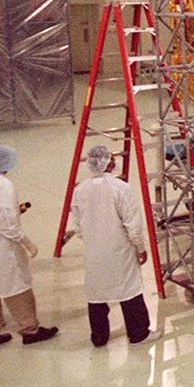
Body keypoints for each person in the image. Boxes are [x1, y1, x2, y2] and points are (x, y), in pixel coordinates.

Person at [0, 144, 58, 349]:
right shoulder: (3, 185)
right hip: (0, 244)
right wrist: (27, 242)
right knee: (16, 286)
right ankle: (29, 329)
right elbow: (8, 223)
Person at [69, 146, 160, 347]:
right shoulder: (120, 188)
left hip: (94, 250)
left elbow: (77, 223)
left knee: (97, 293)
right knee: (128, 289)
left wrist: (93, 239)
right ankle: (138, 334)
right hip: (120, 249)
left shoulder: (80, 189)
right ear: (109, 163)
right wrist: (140, 247)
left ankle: (99, 337)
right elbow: (132, 223)